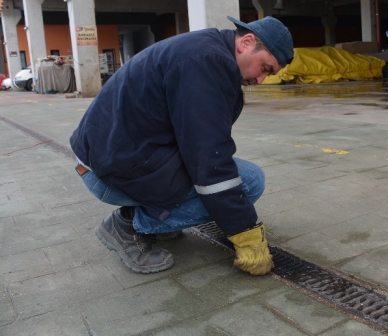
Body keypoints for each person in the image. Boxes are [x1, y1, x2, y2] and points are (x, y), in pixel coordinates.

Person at [70, 16, 294, 276]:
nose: (261, 80)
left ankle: (159, 219)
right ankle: (130, 225)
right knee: (250, 182)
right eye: (265, 68)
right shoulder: (208, 63)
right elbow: (209, 158)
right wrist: (245, 234)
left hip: (115, 156)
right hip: (109, 172)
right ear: (246, 42)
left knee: (233, 178)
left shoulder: (205, 51)